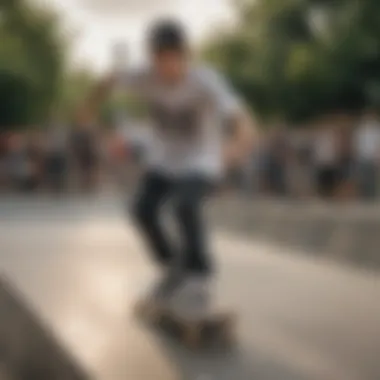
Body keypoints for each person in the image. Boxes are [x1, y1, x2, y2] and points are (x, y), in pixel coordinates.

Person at [77, 19, 255, 316]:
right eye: (160, 59)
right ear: (152, 57)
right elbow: (108, 80)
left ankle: (198, 275)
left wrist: (238, 145)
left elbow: (241, 117)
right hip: (164, 160)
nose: (166, 67)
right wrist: (89, 106)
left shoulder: (206, 79)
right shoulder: (142, 75)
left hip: (202, 161)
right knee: (141, 210)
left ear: (186, 55)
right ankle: (172, 268)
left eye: (173, 58)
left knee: (184, 207)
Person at [353, 110, 380, 200]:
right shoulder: (361, 130)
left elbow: (377, 144)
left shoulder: (376, 129)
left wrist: (377, 157)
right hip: (362, 158)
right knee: (363, 179)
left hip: (372, 158)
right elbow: (357, 144)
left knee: (373, 180)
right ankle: (364, 196)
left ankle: (372, 196)